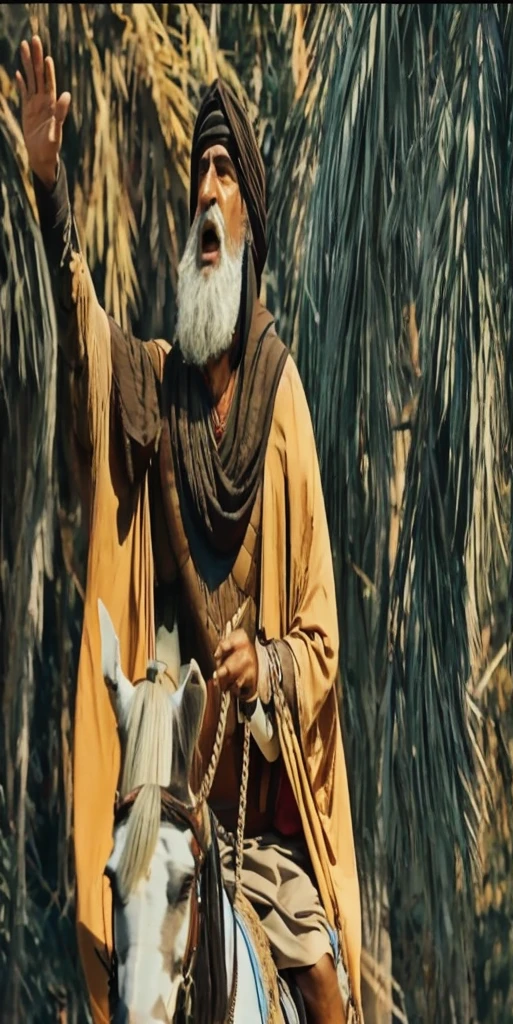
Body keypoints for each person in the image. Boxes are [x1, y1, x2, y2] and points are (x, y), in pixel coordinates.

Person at [17, 34, 363, 1024]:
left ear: (250, 213)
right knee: (117, 978)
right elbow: (86, 340)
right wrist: (50, 200)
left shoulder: (282, 393)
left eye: (226, 174)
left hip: (263, 822)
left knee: (330, 995)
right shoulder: (152, 385)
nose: (207, 192)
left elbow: (323, 634)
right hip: (171, 793)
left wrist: (267, 662)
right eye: (199, 173)